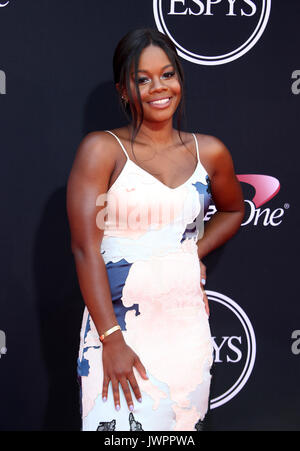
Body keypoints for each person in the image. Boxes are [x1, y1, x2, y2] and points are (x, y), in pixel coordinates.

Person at [66, 28, 245, 432]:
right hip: (118, 330)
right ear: (123, 89)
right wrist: (112, 340)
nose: (158, 88)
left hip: (185, 330)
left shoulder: (210, 152)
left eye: (167, 74)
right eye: (142, 79)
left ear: (179, 78)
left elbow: (233, 209)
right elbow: (84, 249)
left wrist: (188, 254)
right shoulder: (102, 150)